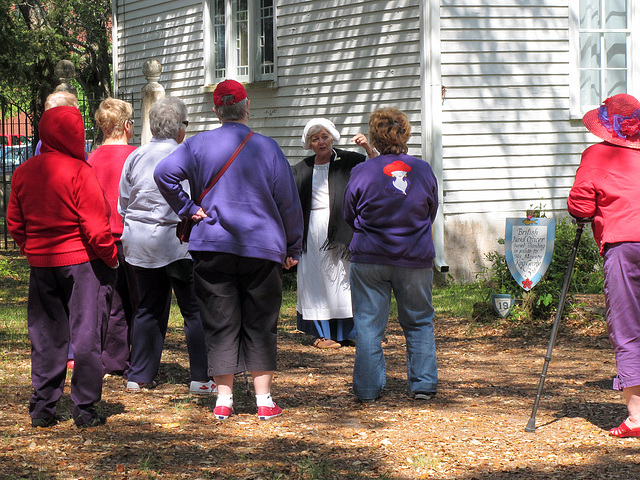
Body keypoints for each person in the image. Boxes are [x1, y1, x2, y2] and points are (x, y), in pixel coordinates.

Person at [154, 79, 303, 421]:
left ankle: (224, 399)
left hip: (212, 244)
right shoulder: (268, 148)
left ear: (215, 110)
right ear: (247, 107)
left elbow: (164, 174)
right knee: (261, 322)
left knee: (218, 321)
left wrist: (189, 208)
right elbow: (288, 201)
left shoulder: (198, 144)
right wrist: (293, 244)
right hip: (262, 247)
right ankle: (264, 401)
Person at [7, 105, 118, 428]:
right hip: (83, 262)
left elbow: (15, 222)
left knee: (45, 335)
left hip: (42, 263)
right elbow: (96, 226)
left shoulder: (25, 171)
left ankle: (43, 407)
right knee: (86, 335)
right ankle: (84, 408)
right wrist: (110, 256)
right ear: (76, 135)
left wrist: (32, 249)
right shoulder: (80, 171)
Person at [118, 96, 215, 394]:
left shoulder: (135, 156)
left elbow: (123, 203)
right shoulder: (188, 156)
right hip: (177, 243)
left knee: (147, 307)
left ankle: (140, 375)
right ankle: (201, 377)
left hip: (139, 242)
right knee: (194, 310)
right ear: (180, 128)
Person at [343, 107, 439, 402]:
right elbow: (431, 210)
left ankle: (368, 389)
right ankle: (422, 386)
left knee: (369, 326)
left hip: (370, 256)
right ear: (405, 134)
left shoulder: (362, 170)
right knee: (419, 321)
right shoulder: (422, 170)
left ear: (374, 137)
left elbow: (349, 212)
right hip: (414, 256)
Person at [567, 93, 640, 438]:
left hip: (624, 245)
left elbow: (580, 205)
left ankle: (637, 417)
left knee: (627, 327)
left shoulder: (597, 154)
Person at [292, 119, 376, 349]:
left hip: (341, 226)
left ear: (333, 137)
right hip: (312, 229)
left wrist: (368, 148)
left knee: (342, 280)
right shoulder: (301, 169)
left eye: (325, 136)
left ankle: (347, 332)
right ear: (308, 144)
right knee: (315, 280)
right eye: (315, 138)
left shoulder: (349, 161)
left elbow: (375, 167)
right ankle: (322, 334)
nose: (321, 142)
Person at [88, 98, 138, 376]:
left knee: (112, 303)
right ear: (127, 125)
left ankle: (114, 360)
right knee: (141, 302)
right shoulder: (135, 156)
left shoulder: (91, 159)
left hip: (102, 238)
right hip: (132, 235)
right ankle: (141, 359)